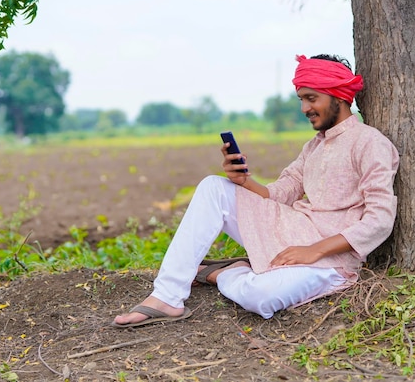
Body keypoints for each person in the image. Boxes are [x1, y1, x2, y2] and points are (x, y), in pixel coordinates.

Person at [112, 54, 399, 327]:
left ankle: (223, 272)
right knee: (214, 187)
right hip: (294, 230)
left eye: (312, 98)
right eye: (301, 99)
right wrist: (244, 182)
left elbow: (379, 220)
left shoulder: (370, 143)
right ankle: (167, 297)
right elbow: (283, 192)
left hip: (331, 260)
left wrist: (315, 250)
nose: (304, 109)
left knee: (260, 297)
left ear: (338, 95)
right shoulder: (313, 146)